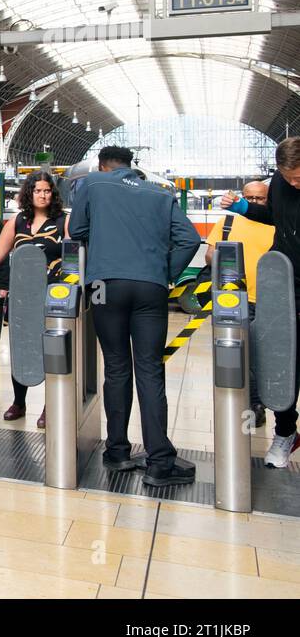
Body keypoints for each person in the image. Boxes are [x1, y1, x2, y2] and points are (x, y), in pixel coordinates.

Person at [72, 146, 200, 486]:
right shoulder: (160, 194)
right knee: (150, 370)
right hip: (150, 288)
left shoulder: (93, 184)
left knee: (115, 366)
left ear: (102, 166)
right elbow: (190, 238)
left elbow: (76, 231)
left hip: (104, 284)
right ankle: (159, 462)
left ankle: (117, 452)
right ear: (132, 167)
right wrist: (163, 271)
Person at [220, 143, 300, 467]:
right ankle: (285, 433)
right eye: (288, 178)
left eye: (298, 177)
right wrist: (243, 207)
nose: (294, 184)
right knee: (281, 362)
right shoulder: (279, 184)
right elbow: (274, 217)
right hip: (283, 283)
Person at [0, 171, 69, 426]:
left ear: (53, 193)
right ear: (29, 193)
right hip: (21, 296)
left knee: (51, 349)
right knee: (21, 348)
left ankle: (50, 404)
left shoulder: (63, 221)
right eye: (38, 190)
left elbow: (73, 258)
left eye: (47, 190)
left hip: (52, 295)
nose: (43, 195)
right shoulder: (17, 221)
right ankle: (19, 402)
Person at [206, 179, 272, 428]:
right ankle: (251, 404)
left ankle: (258, 403)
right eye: (249, 198)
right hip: (234, 300)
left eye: (260, 198)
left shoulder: (276, 223)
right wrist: (224, 262)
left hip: (268, 300)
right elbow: (210, 254)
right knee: (238, 354)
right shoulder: (228, 221)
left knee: (261, 357)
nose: (254, 203)